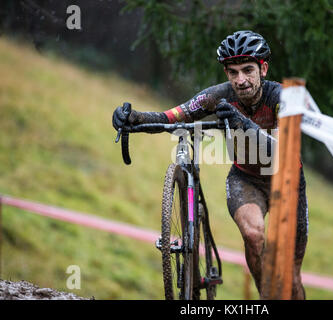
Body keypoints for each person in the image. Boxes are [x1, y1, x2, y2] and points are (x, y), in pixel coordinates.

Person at [112, 30, 309, 299]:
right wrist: (135, 118)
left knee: (292, 277)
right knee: (253, 236)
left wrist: (245, 125)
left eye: (248, 70)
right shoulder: (220, 95)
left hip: (287, 181)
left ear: (263, 68)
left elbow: (284, 152)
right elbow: (173, 116)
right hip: (246, 179)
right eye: (233, 72)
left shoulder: (282, 98)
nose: (241, 80)